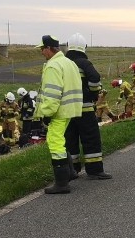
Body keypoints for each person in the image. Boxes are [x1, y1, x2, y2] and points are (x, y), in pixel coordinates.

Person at [35, 35, 83, 194]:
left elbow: (53, 93)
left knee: (55, 143)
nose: (42, 52)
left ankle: (62, 183)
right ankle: (70, 173)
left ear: (49, 48)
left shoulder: (53, 66)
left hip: (59, 111)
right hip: (71, 109)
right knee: (60, 140)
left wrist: (47, 113)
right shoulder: (69, 63)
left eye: (42, 49)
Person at [63, 33, 112, 179]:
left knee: (70, 140)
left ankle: (72, 170)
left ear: (68, 46)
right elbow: (95, 78)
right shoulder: (84, 63)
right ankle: (94, 170)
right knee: (90, 138)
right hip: (84, 108)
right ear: (84, 47)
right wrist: (92, 93)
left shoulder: (63, 63)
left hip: (67, 110)